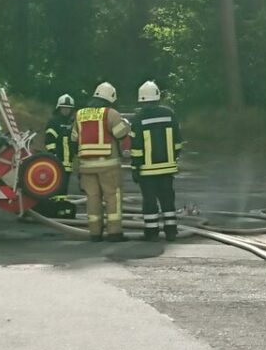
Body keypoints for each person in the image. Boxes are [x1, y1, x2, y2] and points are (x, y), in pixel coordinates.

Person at [71, 82, 131, 242]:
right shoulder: (111, 114)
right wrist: (126, 126)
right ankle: (114, 233)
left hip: (86, 166)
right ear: (111, 98)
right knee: (112, 197)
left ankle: (95, 233)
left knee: (92, 198)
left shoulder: (80, 114)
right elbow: (120, 134)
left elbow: (74, 140)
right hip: (108, 165)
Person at [128, 80, 184, 241]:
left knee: (149, 202)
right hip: (167, 168)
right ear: (158, 96)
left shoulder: (138, 119)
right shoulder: (170, 113)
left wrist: (135, 168)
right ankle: (171, 231)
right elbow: (178, 141)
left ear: (141, 99)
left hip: (147, 170)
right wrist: (173, 158)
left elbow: (136, 148)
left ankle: (152, 233)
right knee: (168, 200)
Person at [34, 93, 78, 219]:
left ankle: (60, 207)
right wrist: (53, 156)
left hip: (68, 162)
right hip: (57, 162)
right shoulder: (54, 122)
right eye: (64, 108)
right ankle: (54, 207)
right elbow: (49, 140)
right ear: (59, 108)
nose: (66, 110)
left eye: (68, 108)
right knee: (56, 186)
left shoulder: (72, 122)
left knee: (64, 188)